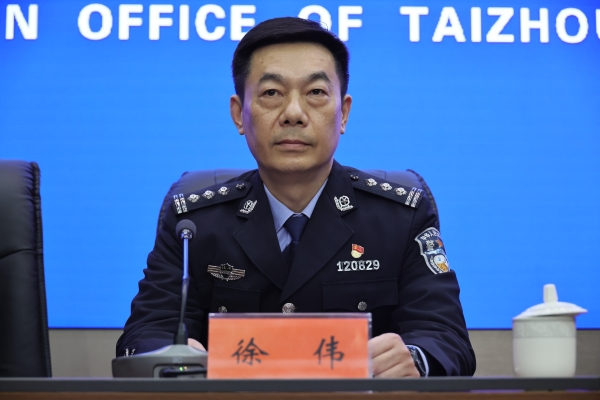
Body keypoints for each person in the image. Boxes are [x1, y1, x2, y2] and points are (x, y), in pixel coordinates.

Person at [117, 17, 476, 377]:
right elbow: (145, 333)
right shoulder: (194, 224)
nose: (293, 114)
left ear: (343, 113)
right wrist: (170, 354)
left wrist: (414, 359)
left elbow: (445, 339)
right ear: (239, 114)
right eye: (272, 93)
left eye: (315, 93)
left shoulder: (400, 217)